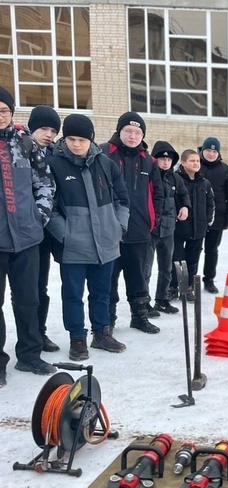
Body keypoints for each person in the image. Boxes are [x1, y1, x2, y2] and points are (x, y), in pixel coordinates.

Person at [46, 114, 130, 360]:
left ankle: (102, 333)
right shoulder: (54, 164)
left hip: (105, 243)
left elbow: (122, 200)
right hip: (73, 247)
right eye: (71, 138)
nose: (76, 144)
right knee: (72, 294)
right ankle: (77, 338)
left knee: (102, 292)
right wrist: (66, 235)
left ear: (91, 139)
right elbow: (48, 208)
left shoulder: (106, 164)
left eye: (81, 139)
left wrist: (117, 228)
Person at [0, 86, 57, 386]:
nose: (0, 115)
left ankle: (30, 355)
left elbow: (45, 183)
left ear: (11, 113)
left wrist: (39, 218)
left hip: (26, 237)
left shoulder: (24, 143)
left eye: (4, 110)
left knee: (28, 300)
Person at [102, 112, 163, 334]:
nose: (132, 135)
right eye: (128, 131)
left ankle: (139, 316)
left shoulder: (149, 160)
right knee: (108, 278)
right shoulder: (103, 153)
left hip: (139, 230)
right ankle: (106, 320)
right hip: (110, 230)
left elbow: (158, 194)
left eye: (138, 132)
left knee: (138, 277)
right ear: (119, 131)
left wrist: (153, 221)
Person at [27, 104, 62, 353]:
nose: (48, 134)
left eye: (53, 130)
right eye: (44, 128)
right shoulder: (19, 150)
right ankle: (28, 338)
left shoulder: (56, 154)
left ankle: (39, 334)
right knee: (26, 291)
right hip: (24, 229)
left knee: (41, 287)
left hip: (48, 231)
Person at [147, 141, 190, 314]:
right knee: (145, 269)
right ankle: (144, 303)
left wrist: (185, 206)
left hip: (169, 229)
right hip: (150, 229)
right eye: (162, 158)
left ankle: (162, 299)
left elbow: (183, 194)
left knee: (166, 267)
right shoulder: (148, 175)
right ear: (155, 159)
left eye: (169, 159)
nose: (166, 162)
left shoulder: (175, 178)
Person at [170, 149, 214, 301]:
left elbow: (210, 203)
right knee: (177, 259)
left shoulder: (204, 182)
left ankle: (188, 288)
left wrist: (207, 219)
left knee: (192, 260)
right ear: (183, 163)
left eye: (197, 161)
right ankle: (173, 286)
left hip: (198, 229)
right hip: (180, 228)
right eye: (192, 161)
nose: (196, 163)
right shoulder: (176, 179)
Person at [199, 137, 228, 294]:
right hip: (196, 217)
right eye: (208, 150)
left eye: (214, 151)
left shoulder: (225, 170)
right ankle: (187, 282)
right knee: (192, 251)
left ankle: (208, 280)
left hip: (217, 218)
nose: (211, 154)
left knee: (212, 250)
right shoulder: (195, 165)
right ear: (202, 151)